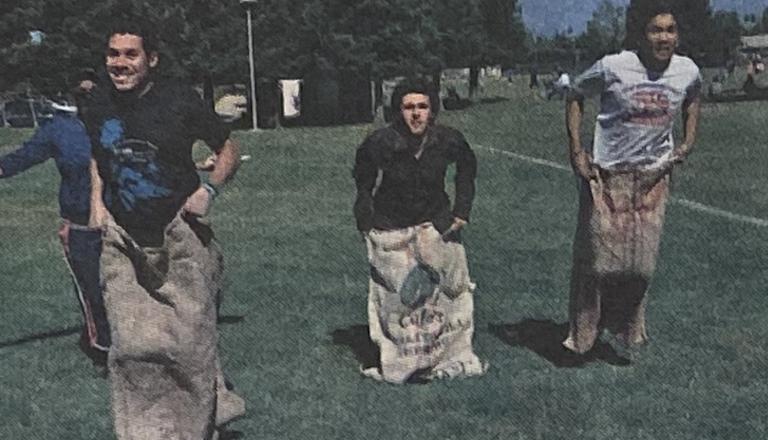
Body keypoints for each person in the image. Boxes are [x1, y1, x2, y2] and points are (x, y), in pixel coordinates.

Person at [79, 19, 244, 439]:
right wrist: (97, 204)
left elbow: (228, 148)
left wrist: (209, 190)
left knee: (188, 346)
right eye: (113, 54)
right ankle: (144, 431)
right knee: (132, 346)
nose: (119, 63)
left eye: (130, 54)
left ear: (151, 59)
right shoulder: (97, 104)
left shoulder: (178, 101)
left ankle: (198, 426)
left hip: (179, 236)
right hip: (122, 239)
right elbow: (99, 156)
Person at [563, 0, 701, 355]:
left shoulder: (687, 70)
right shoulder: (614, 66)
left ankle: (626, 331)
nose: (664, 37)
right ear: (641, 35)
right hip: (608, 177)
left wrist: (688, 140)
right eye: (656, 29)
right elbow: (576, 94)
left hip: (653, 178)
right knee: (598, 263)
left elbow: (693, 97)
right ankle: (582, 335)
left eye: (670, 30)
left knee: (640, 266)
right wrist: (577, 150)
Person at [353, 78, 485, 384]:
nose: (416, 114)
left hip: (436, 220)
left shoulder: (447, 140)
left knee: (447, 292)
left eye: (422, 107)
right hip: (392, 225)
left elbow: (467, 166)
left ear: (432, 111)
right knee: (400, 298)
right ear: (399, 111)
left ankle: (447, 355)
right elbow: (363, 183)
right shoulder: (380, 143)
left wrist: (462, 210)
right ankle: (404, 357)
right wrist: (365, 222)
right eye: (409, 107)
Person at [0, 82, 111, 364]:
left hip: (123, 219)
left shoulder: (118, 121)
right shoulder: (59, 129)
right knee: (93, 291)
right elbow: (18, 160)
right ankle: (104, 350)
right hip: (81, 225)